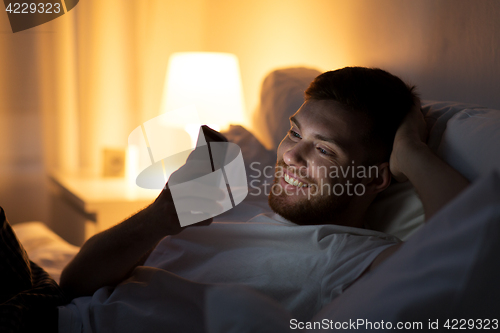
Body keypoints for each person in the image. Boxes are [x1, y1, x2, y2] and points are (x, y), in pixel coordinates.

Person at [57, 67, 470, 330]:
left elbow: (467, 245)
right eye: (294, 133)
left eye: (324, 150)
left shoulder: (349, 257)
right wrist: (160, 218)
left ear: (376, 178)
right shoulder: (239, 195)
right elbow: (74, 282)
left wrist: (414, 153)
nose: (291, 155)